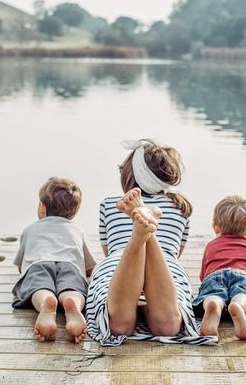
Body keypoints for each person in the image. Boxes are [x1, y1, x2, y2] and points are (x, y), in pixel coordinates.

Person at [85, 139, 216, 346]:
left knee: (118, 326)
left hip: (118, 262)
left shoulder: (111, 204)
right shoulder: (180, 208)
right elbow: (176, 253)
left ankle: (140, 236)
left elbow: (109, 250)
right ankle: (148, 233)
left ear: (129, 174)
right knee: (168, 327)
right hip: (166, 265)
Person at [11, 177, 95, 343]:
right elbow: (89, 268)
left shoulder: (30, 229)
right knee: (73, 286)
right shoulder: (77, 230)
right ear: (74, 212)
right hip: (69, 264)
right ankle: (72, 303)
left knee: (39, 286)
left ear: (42, 208)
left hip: (39, 264)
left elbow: (21, 267)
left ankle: (46, 302)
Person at [193, 195, 246, 342]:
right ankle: (239, 305)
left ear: (215, 227)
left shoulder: (211, 245)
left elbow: (203, 277)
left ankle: (214, 304)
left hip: (215, 276)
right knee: (245, 294)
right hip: (245, 276)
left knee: (213, 293)